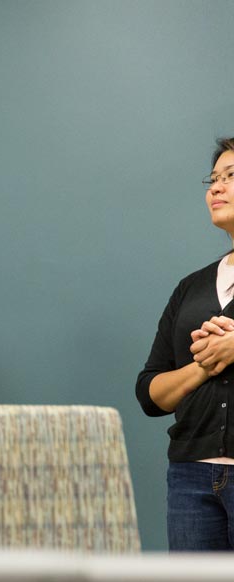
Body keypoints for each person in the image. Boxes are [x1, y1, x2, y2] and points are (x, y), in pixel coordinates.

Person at [136, 136, 234, 550]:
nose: (215, 188)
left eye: (231, 177)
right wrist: (204, 365)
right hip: (191, 477)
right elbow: (150, 393)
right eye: (213, 179)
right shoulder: (190, 288)